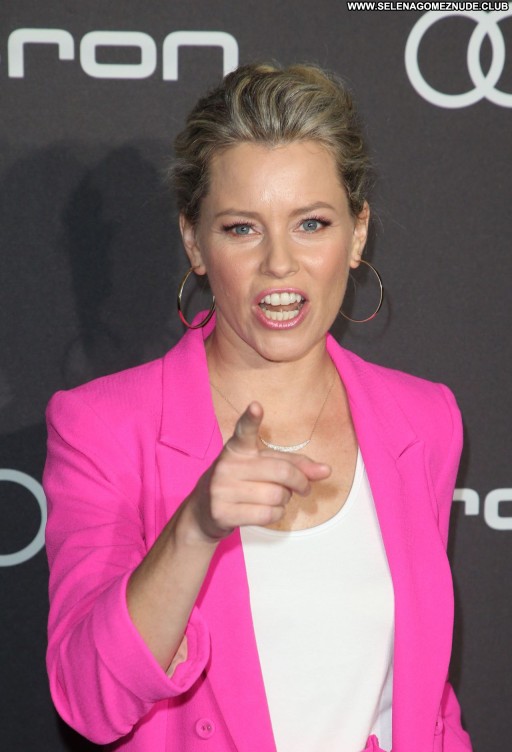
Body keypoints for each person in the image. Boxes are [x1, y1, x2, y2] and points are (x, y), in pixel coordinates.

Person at [44, 63, 472, 752]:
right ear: (195, 243)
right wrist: (194, 529)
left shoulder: (423, 420)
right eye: (243, 228)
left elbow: (425, 699)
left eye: (312, 223)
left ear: (357, 233)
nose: (279, 264)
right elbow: (89, 701)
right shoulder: (104, 428)